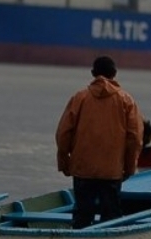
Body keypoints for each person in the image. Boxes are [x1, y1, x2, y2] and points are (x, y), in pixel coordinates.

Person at [56, 56, 144, 229]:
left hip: (82, 169)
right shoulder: (126, 100)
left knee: (82, 215)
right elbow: (135, 138)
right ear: (115, 74)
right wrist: (129, 167)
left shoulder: (79, 98)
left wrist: (64, 162)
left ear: (92, 73)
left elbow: (63, 133)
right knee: (112, 216)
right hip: (112, 171)